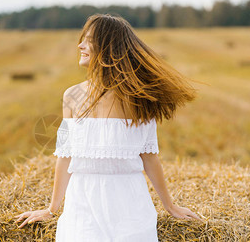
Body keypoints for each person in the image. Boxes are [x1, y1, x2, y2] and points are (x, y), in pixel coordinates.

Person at [16, 13, 202, 240]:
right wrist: (51, 209)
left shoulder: (137, 100)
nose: (80, 45)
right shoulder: (71, 96)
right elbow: (65, 157)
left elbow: (150, 159)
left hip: (130, 207)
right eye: (81, 39)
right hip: (81, 207)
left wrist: (170, 207)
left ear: (108, 48)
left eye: (89, 40)